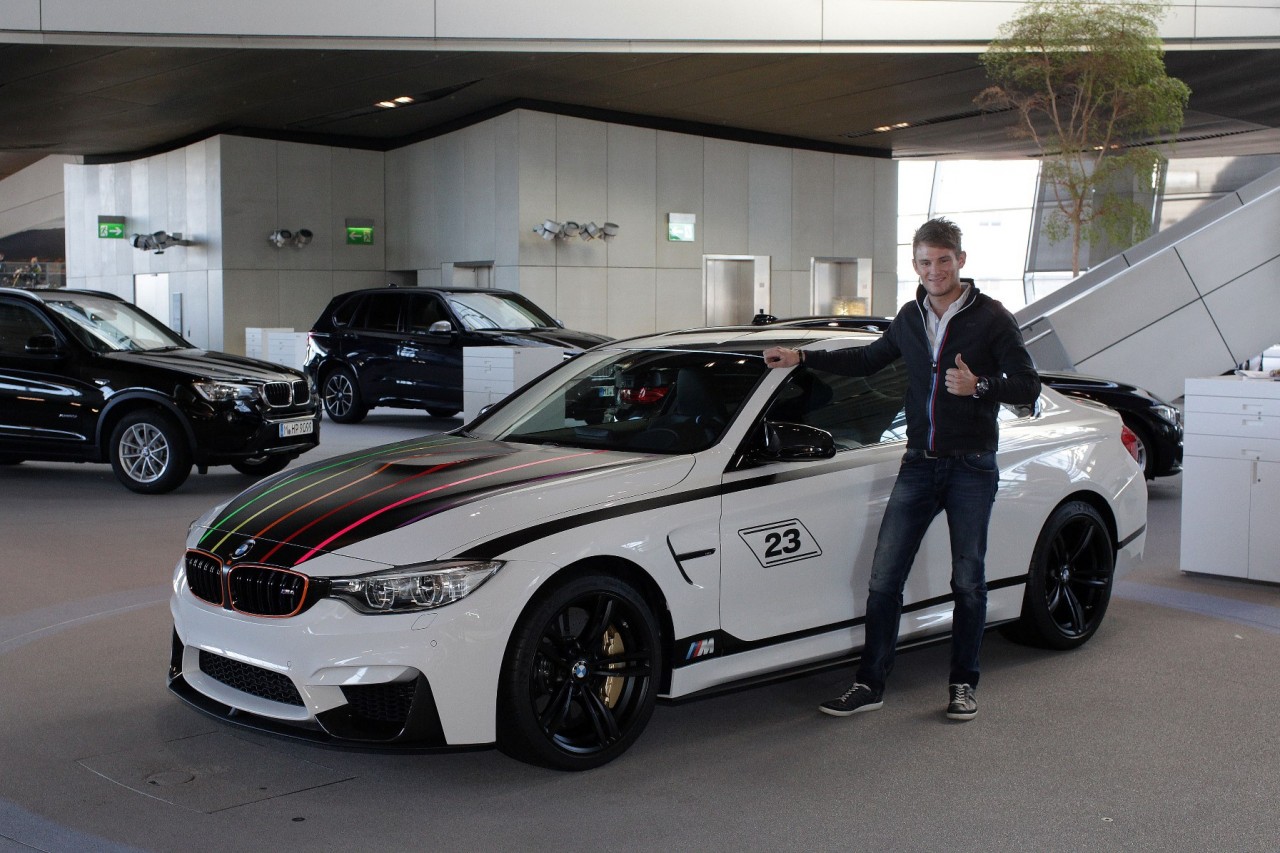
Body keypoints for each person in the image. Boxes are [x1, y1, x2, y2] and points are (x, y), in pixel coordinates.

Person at [763, 217, 1040, 721]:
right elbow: (868, 360)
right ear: (914, 265)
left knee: (968, 581)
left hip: (972, 467)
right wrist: (800, 356)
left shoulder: (993, 318)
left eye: (943, 260)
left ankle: (962, 684)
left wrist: (978, 386)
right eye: (924, 261)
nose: (934, 270)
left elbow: (1027, 386)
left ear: (960, 261)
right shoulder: (910, 318)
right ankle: (870, 684)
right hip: (918, 465)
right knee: (884, 579)